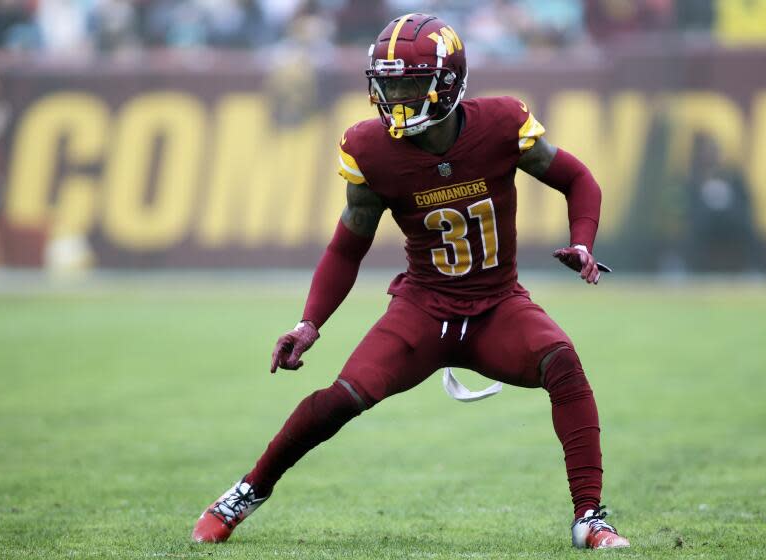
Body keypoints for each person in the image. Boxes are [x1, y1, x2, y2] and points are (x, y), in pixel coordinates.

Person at [192, 13, 629, 550]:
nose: (395, 96)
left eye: (410, 83)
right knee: (340, 400)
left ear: (448, 82)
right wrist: (310, 323)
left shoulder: (500, 123)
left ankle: (590, 516)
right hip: (423, 307)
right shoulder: (371, 149)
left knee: (563, 363)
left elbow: (577, 178)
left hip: (497, 304)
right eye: (388, 83)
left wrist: (583, 238)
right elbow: (347, 245)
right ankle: (242, 494)